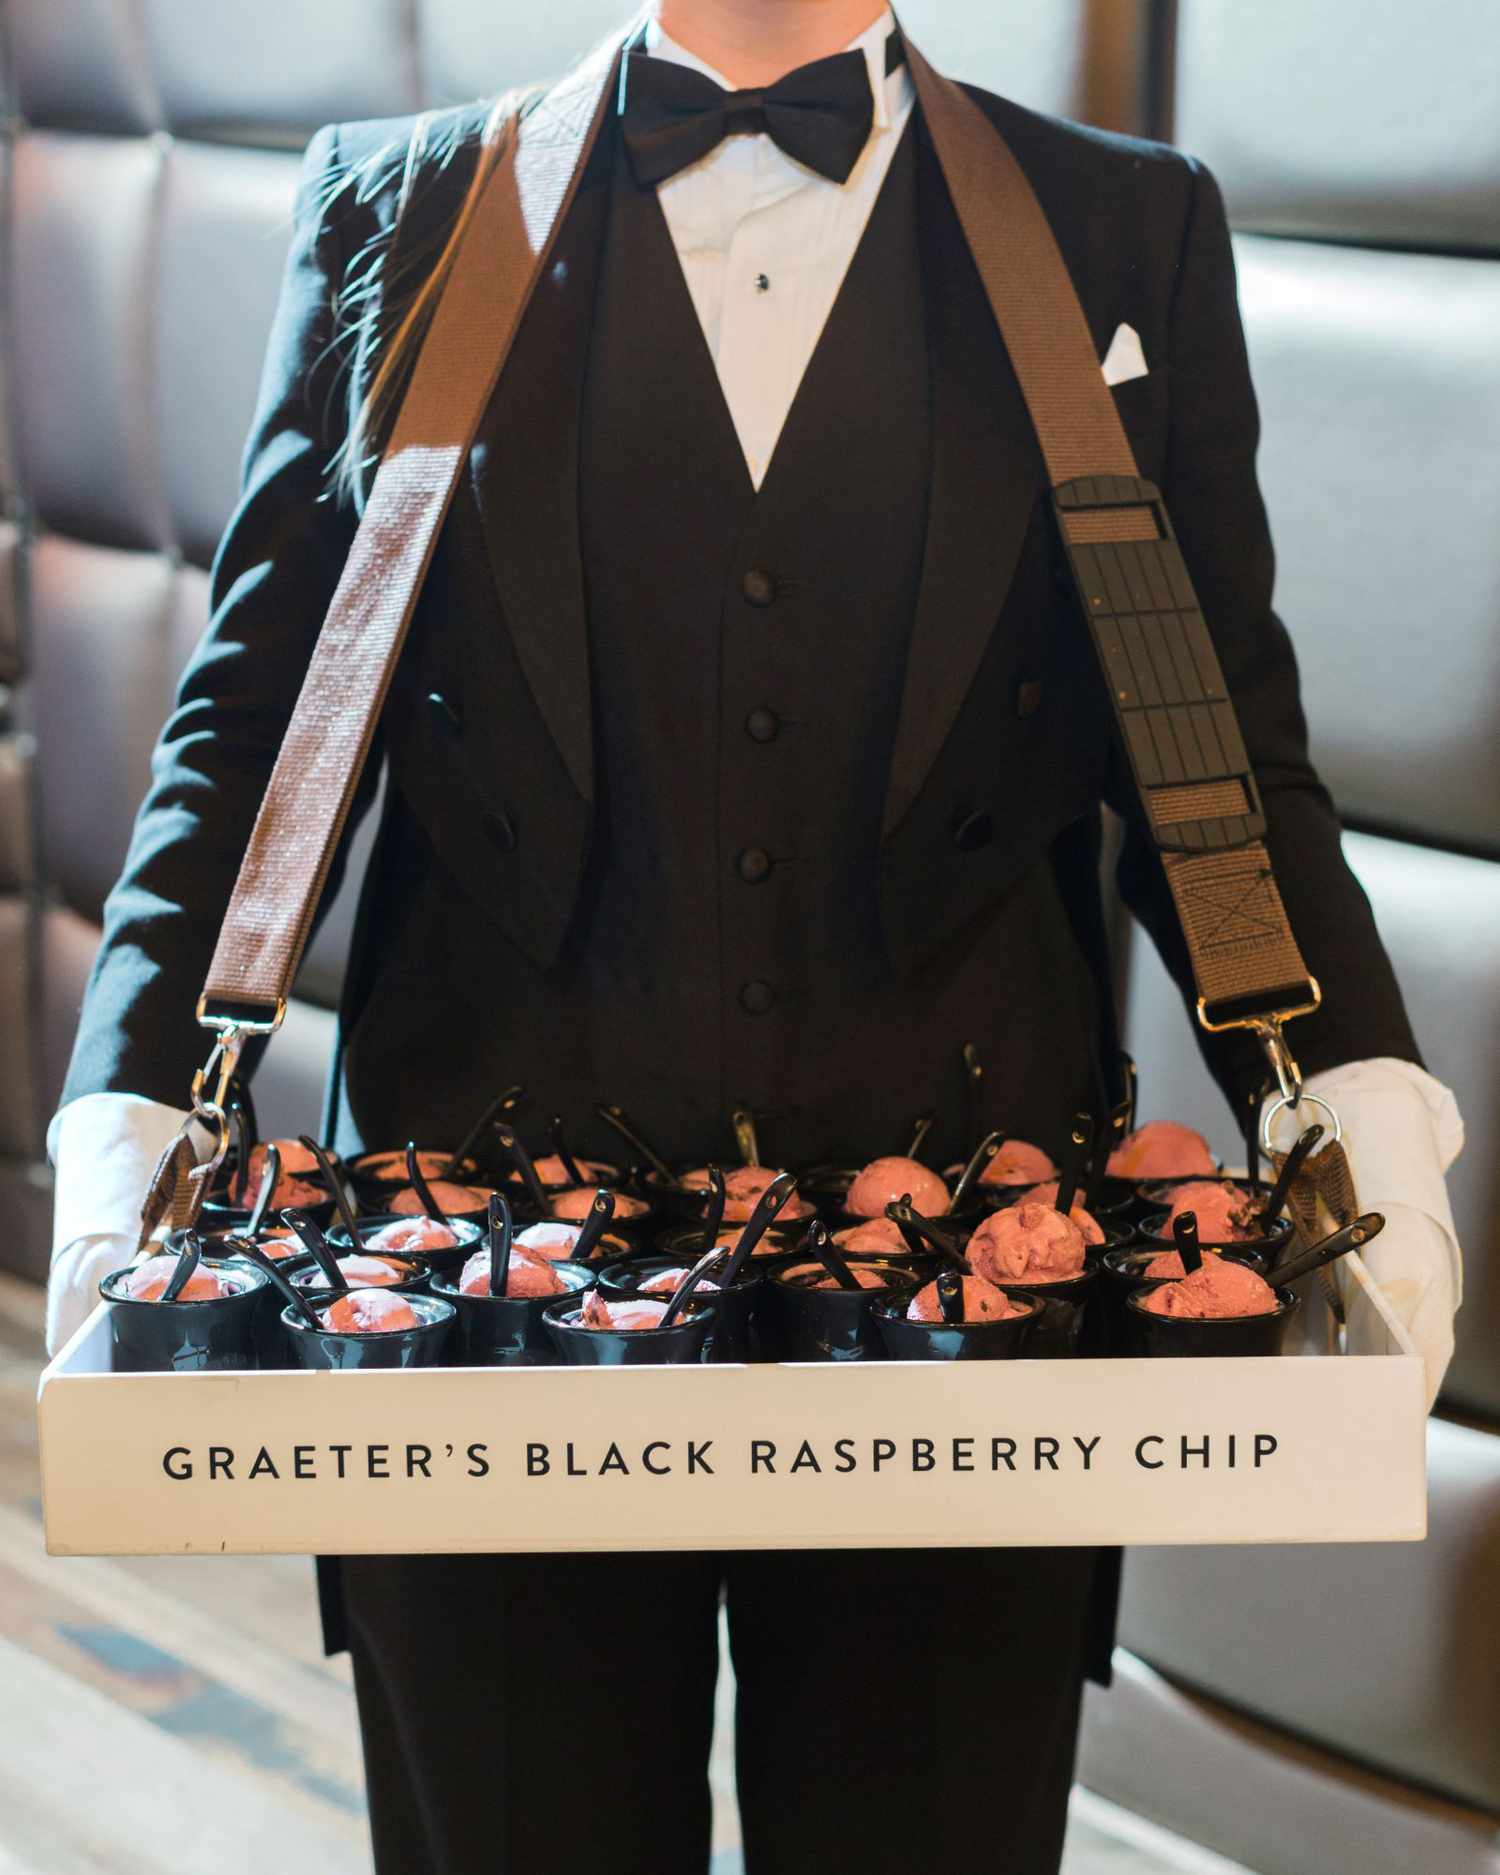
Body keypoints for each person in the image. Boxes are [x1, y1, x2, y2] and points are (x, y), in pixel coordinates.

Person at [46, 2, 1464, 1869]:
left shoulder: (1118, 228)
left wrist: (1358, 1095)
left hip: (978, 1291)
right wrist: (127, 1112)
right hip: (479, 1306)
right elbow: (250, 733)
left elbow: (1217, 749)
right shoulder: (402, 209)